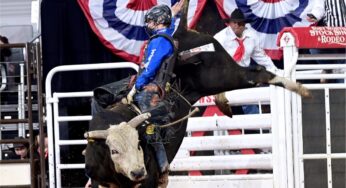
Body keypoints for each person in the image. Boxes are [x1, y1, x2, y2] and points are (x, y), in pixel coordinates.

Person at [126, 1, 184, 175]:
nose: (148, 24)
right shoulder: (166, 35)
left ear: (159, 21)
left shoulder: (159, 41)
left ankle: (161, 163)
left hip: (149, 90)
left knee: (147, 124)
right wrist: (172, 15)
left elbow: (150, 68)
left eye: (151, 21)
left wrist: (135, 88)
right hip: (156, 87)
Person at [214, 8, 280, 114]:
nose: (236, 26)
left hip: (243, 75)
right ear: (229, 24)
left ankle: (258, 124)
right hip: (224, 76)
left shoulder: (252, 37)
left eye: (239, 23)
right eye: (234, 23)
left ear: (244, 25)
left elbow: (261, 57)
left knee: (253, 92)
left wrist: (275, 71)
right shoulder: (220, 38)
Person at [306, 0, 346, 83]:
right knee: (314, 49)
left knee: (342, 63)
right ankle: (328, 68)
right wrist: (313, 16)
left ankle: (333, 73)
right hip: (330, 33)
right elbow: (319, 8)